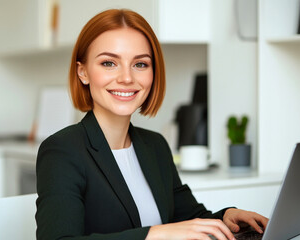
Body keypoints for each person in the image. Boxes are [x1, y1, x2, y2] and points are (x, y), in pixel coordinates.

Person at [35, 9, 268, 240]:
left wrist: (227, 216)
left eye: (140, 64)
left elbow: (188, 218)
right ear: (83, 72)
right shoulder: (62, 150)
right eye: (109, 63)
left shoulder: (155, 145)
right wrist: (154, 234)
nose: (127, 78)